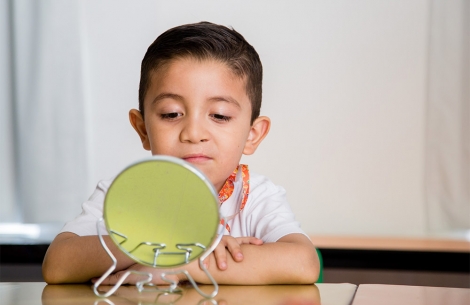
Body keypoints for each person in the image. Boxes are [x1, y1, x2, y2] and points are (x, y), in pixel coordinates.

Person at [42, 21, 319, 285]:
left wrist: (183, 264)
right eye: (171, 114)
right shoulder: (122, 194)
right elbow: (57, 265)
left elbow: (303, 263)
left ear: (252, 134)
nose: (193, 133)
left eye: (219, 116)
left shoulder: (257, 197)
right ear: (143, 130)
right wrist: (155, 244)